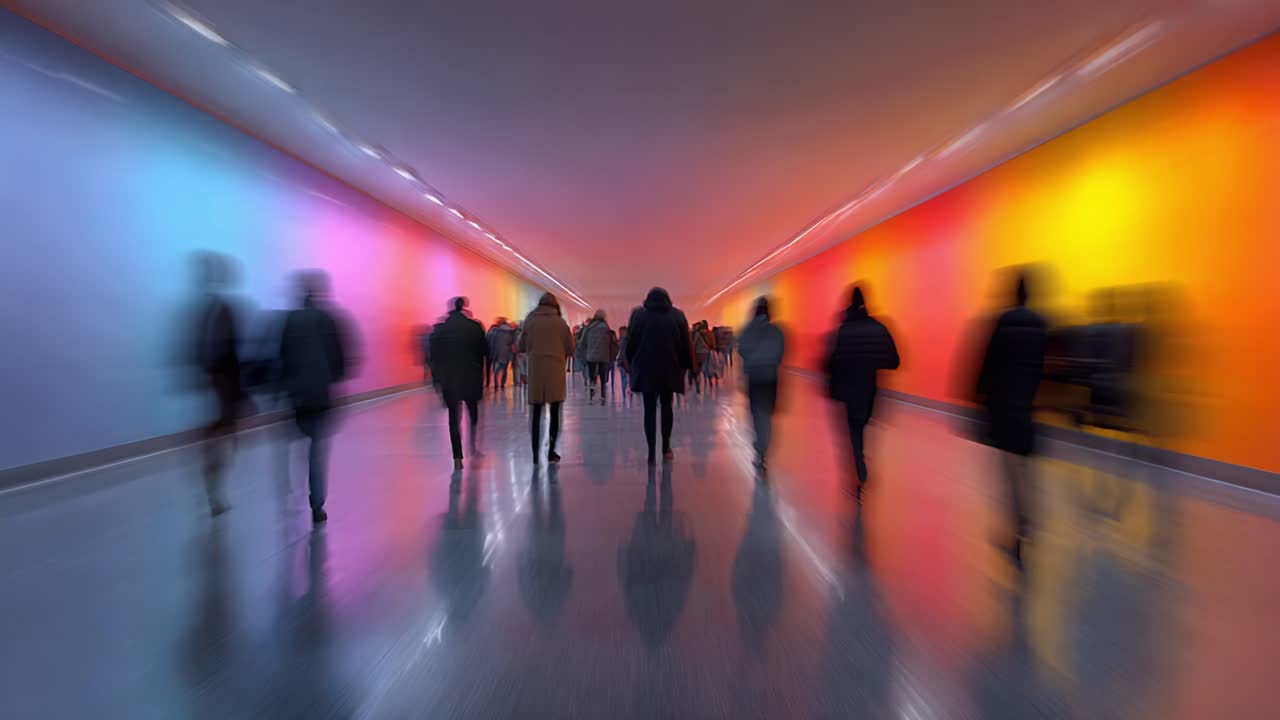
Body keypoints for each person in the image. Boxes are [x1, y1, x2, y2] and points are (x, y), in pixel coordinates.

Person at [975, 273, 1046, 570]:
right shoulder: (1041, 325)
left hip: (1004, 407)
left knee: (1008, 472)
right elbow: (1046, 365)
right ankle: (1027, 521)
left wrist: (977, 396)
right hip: (1028, 407)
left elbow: (987, 363)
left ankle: (1017, 532)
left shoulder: (1002, 323)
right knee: (1025, 469)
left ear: (1013, 294)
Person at [279, 270, 351, 524]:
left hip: (296, 394)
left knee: (290, 444)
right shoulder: (327, 319)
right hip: (320, 393)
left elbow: (281, 355)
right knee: (317, 450)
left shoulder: (289, 319)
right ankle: (316, 503)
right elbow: (342, 357)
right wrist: (336, 381)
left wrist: (282, 387)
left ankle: (286, 491)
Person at [824, 285, 899, 502]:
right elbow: (894, 361)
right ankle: (861, 461)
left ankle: (859, 465)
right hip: (869, 388)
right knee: (863, 424)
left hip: (847, 389)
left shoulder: (842, 330)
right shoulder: (878, 327)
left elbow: (830, 362)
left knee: (853, 430)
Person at [188, 252, 243, 517]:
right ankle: (213, 489)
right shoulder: (222, 311)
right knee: (225, 438)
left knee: (223, 437)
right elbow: (229, 352)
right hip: (222, 387)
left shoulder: (209, 310)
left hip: (217, 385)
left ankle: (212, 485)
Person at [626, 288, 694, 464]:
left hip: (646, 369)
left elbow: (631, 343)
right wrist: (687, 367)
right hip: (669, 368)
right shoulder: (677, 316)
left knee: (649, 411)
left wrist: (632, 363)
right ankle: (665, 447)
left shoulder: (638, 316)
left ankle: (651, 451)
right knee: (666, 407)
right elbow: (686, 344)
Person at [430, 297, 488, 470]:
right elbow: (484, 353)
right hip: (471, 376)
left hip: (450, 379)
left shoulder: (440, 330)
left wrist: (437, 382)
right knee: (473, 412)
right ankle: (472, 445)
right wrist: (484, 377)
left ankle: (457, 456)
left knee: (453, 418)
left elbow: (434, 359)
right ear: (464, 308)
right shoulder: (474, 327)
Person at [521, 293, 574, 464]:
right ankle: (551, 451)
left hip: (536, 370)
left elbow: (521, 345)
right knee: (555, 411)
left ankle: (535, 453)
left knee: (535, 413)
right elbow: (570, 348)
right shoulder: (561, 323)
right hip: (555, 371)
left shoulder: (530, 321)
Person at [737, 297, 785, 470]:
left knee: (756, 414)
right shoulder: (776, 331)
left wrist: (752, 360)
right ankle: (763, 446)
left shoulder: (747, 330)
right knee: (767, 415)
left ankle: (759, 448)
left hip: (754, 378)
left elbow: (741, 349)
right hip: (770, 379)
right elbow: (780, 353)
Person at [582, 310, 617, 402]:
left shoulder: (589, 327)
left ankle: (591, 394)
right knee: (602, 376)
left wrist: (586, 348)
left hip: (591, 355)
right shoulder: (605, 328)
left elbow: (583, 341)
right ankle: (603, 396)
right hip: (603, 355)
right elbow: (611, 342)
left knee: (592, 375)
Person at [489, 317, 517, 390]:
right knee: (504, 369)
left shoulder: (495, 331)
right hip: (507, 352)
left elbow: (492, 342)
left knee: (496, 370)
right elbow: (514, 343)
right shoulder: (511, 331)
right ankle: (502, 384)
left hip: (497, 352)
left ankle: (496, 384)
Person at [691, 321, 718, 393]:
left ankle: (698, 386)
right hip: (707, 353)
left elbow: (694, 343)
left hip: (698, 354)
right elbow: (713, 344)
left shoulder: (697, 334)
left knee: (698, 371)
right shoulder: (709, 333)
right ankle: (710, 384)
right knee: (708, 368)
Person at [617, 325, 631, 397]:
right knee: (629, 377)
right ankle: (629, 389)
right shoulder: (629, 340)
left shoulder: (620, 341)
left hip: (622, 361)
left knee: (623, 377)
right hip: (628, 361)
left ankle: (623, 392)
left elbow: (620, 352)